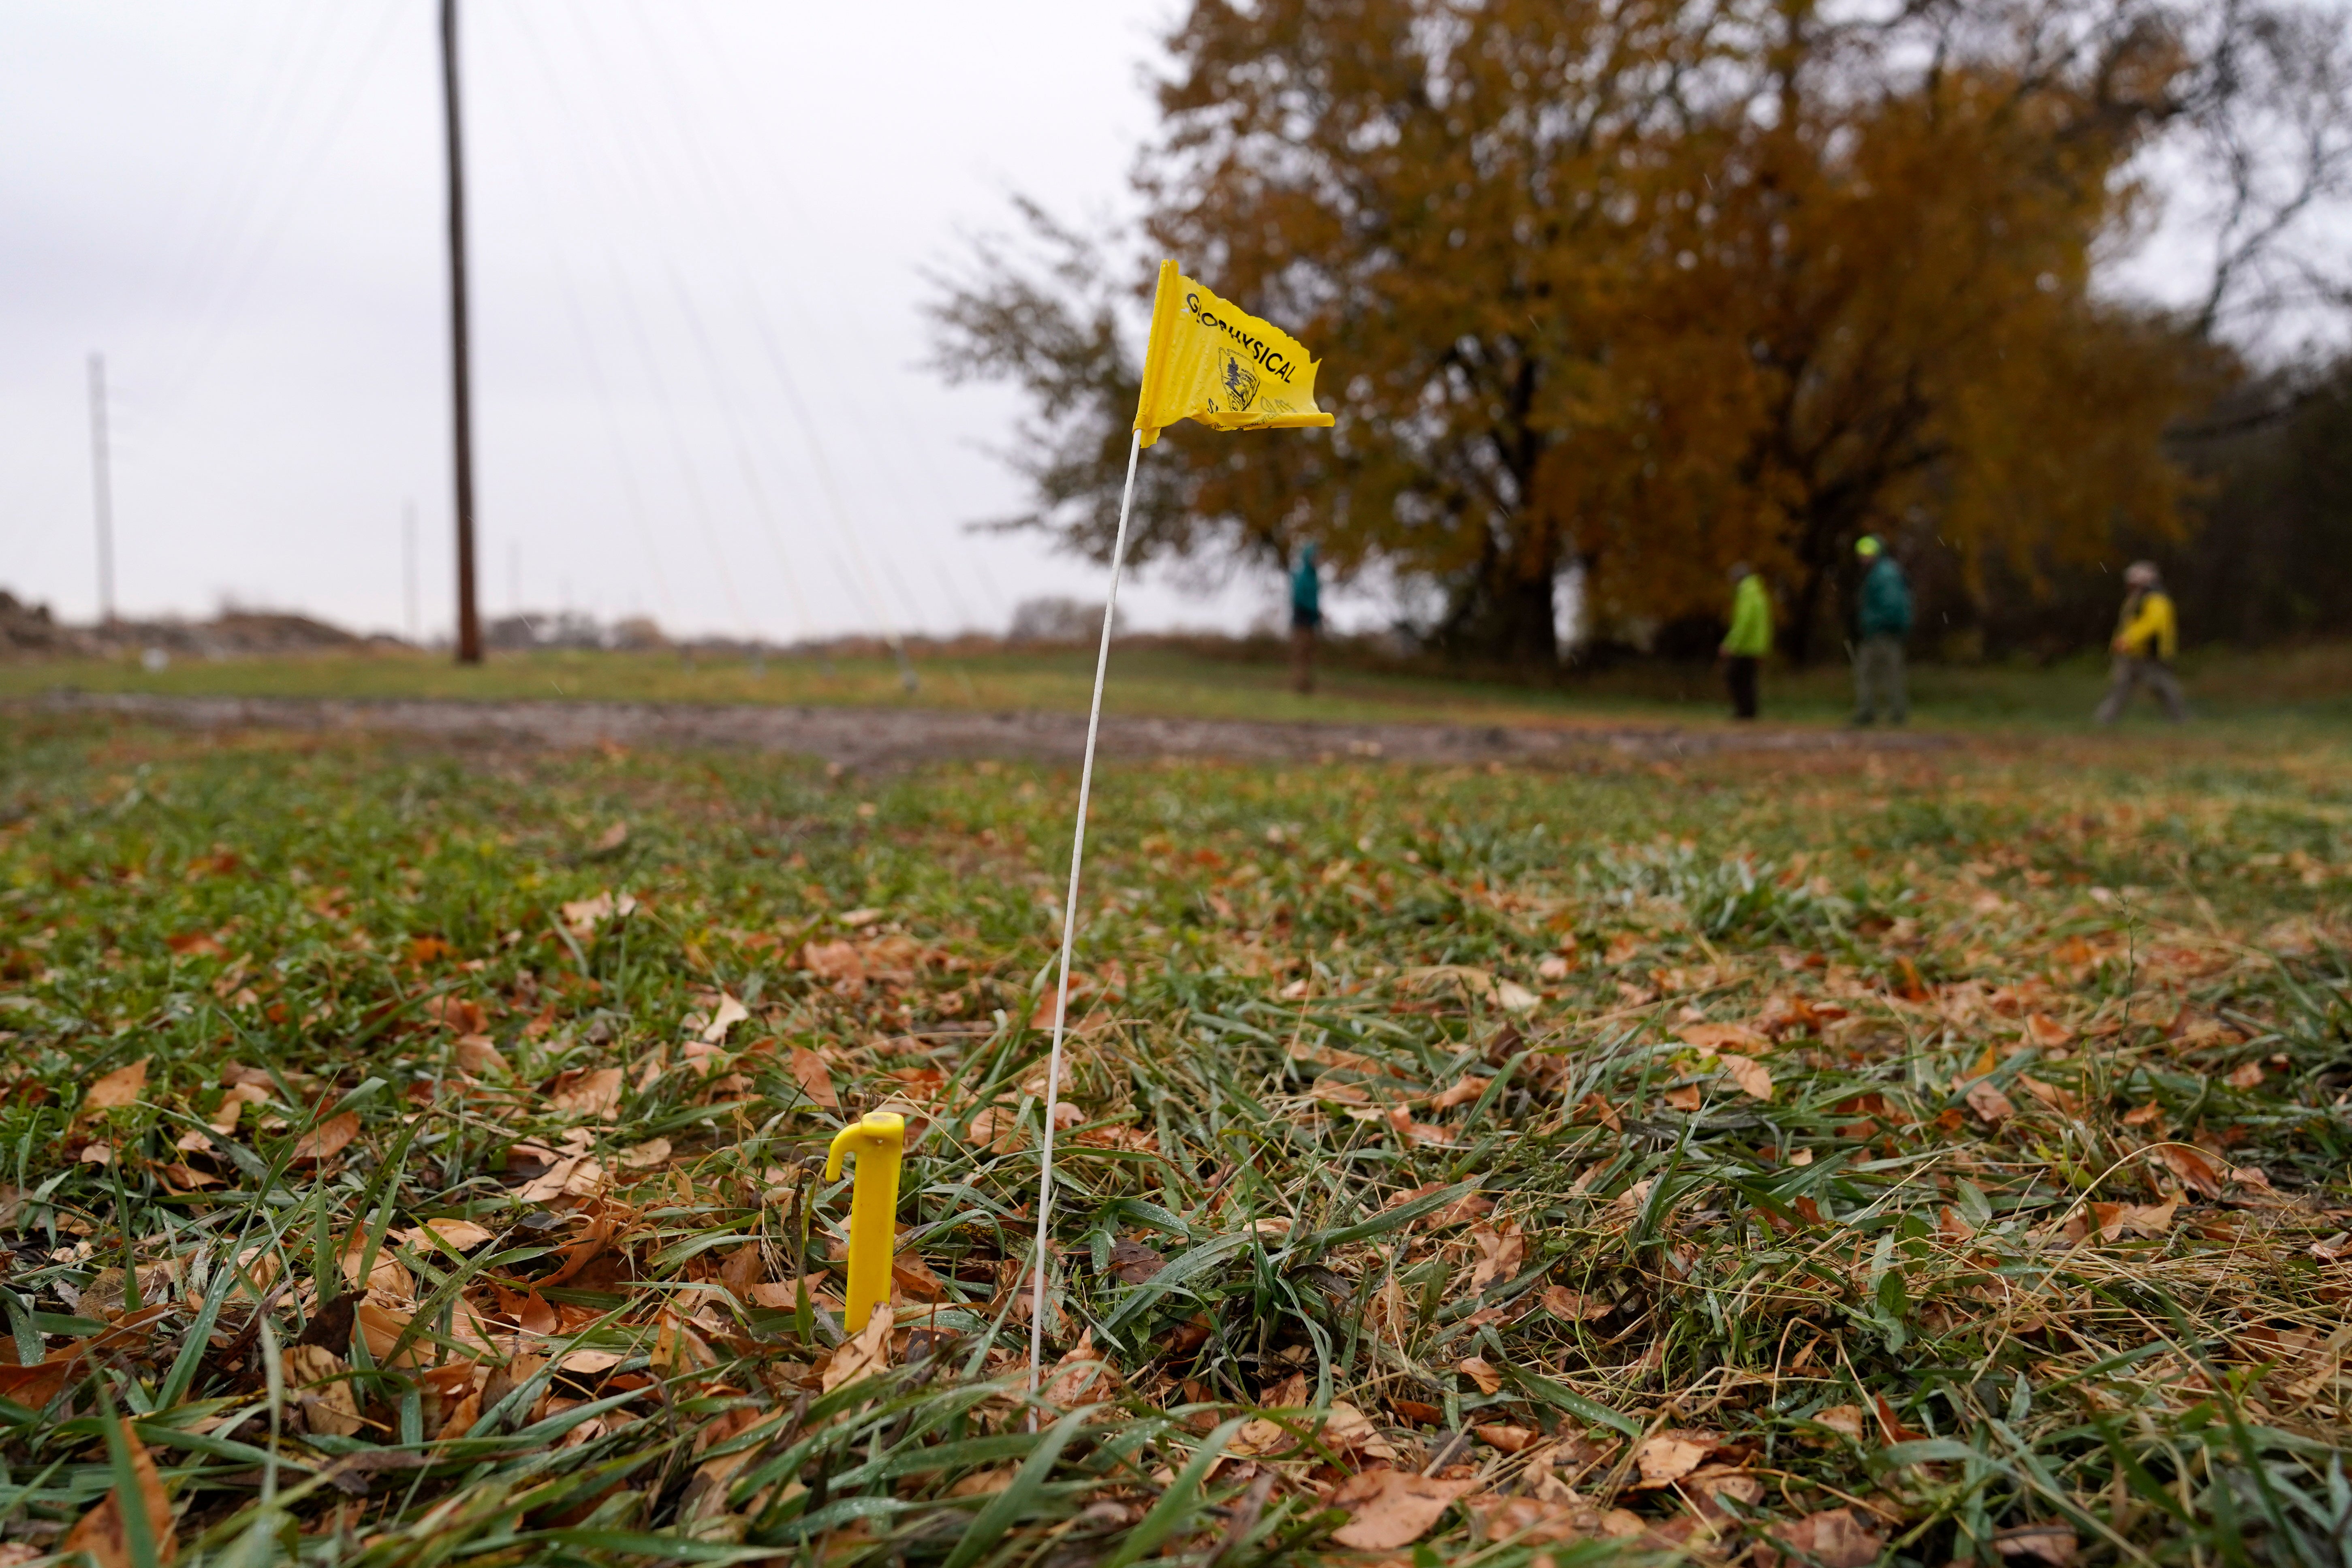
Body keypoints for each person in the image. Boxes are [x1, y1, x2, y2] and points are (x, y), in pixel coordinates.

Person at [2094, 561, 2187, 724]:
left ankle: (2181, 721)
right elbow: (2127, 625)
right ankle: (2103, 721)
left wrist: (2128, 640)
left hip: (2151, 655)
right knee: (2120, 688)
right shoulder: (2136, 600)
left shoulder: (2157, 600)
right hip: (2133, 654)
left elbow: (2151, 625)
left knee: (2164, 689)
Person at [1850, 534, 1912, 726]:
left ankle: (1869, 713)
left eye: (1868, 553)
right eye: (1861, 553)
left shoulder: (1883, 574)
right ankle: (1896, 714)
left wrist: (1873, 622)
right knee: (1890, 674)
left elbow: (1891, 605)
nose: (1863, 557)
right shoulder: (1885, 571)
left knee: (1870, 672)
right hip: (1885, 632)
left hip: (1882, 633)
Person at [1718, 563, 1771, 720]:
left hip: (1745, 646)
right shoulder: (1759, 593)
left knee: (1735, 677)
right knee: (1748, 680)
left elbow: (1743, 623)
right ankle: (1748, 712)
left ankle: (1744, 712)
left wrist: (1730, 644)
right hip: (1756, 645)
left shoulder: (1746, 594)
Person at [1289, 542, 1321, 694]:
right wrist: (1315, 611)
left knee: (1309, 656)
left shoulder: (1313, 576)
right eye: (1316, 556)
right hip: (1302, 622)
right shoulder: (1303, 576)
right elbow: (1300, 600)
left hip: (1311, 622)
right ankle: (1301, 687)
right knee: (1302, 655)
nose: (1319, 559)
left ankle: (1306, 686)